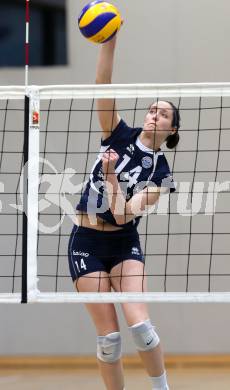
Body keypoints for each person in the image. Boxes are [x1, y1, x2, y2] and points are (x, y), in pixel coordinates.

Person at [68, 30, 180, 390]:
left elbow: (121, 214)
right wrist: (109, 41)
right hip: (85, 240)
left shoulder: (160, 175)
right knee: (109, 340)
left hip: (123, 241)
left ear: (171, 129)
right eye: (152, 108)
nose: (154, 114)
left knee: (142, 330)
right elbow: (102, 83)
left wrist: (111, 174)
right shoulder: (118, 133)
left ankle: (161, 387)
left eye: (162, 114)